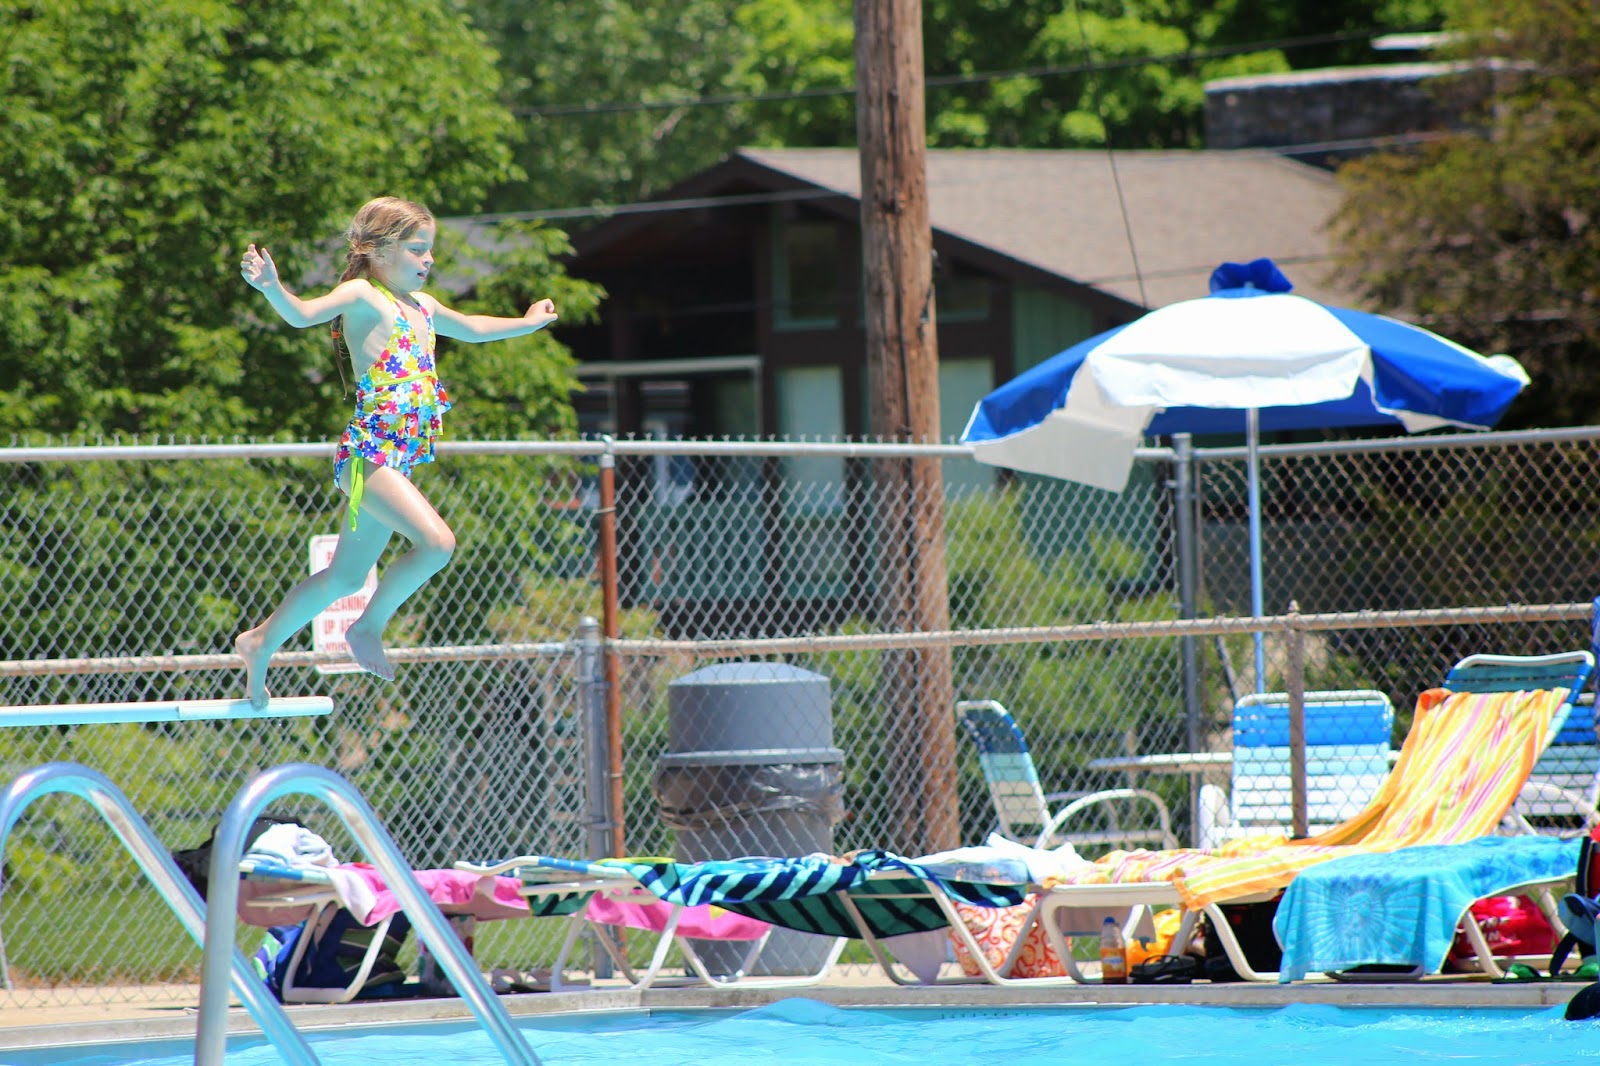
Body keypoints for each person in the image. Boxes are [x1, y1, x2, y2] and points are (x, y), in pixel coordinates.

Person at [234, 196, 557, 708]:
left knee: (345, 577)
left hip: (395, 463)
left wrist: (528, 322)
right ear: (380, 250)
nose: (429, 259)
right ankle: (368, 627)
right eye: (417, 249)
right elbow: (302, 315)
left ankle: (259, 641)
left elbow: (473, 328)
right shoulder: (363, 294)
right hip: (369, 458)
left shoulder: (422, 307)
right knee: (437, 543)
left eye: (430, 249)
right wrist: (273, 288)